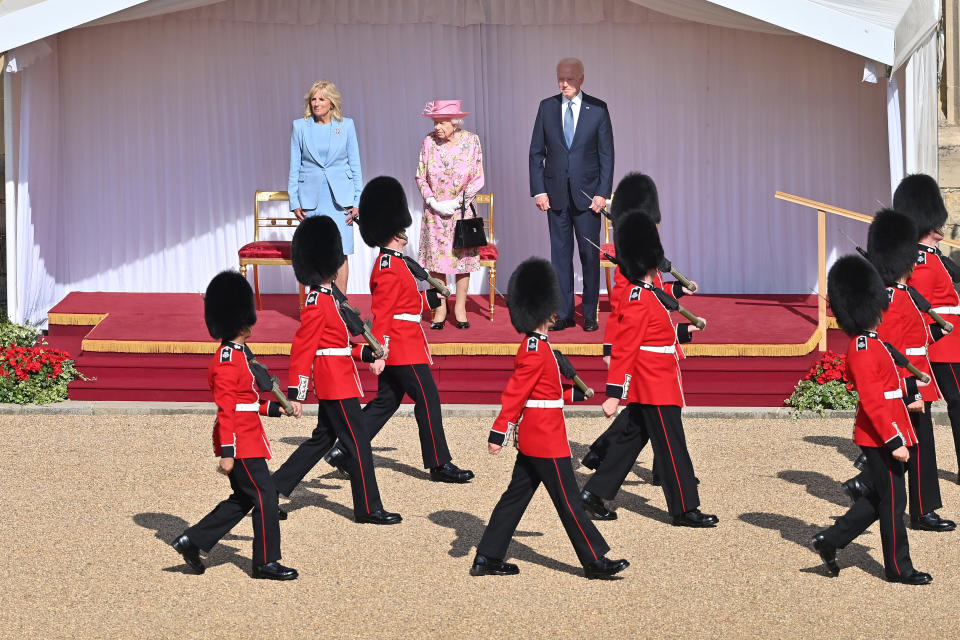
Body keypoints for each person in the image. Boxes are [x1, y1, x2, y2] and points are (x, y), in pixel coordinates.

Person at [471, 257, 629, 580]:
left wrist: (574, 394)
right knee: (570, 501)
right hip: (545, 439)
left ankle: (487, 556)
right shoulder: (534, 348)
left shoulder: (541, 347)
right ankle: (594, 560)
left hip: (538, 435)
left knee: (515, 497)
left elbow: (545, 393)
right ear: (543, 310)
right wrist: (499, 432)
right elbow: (516, 393)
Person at [324, 176, 474, 484]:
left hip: (405, 342)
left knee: (385, 403)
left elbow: (407, 304)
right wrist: (382, 350)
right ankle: (439, 463)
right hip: (402, 347)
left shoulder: (396, 262)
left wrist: (431, 298)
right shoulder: (389, 266)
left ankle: (344, 451)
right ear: (393, 231)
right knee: (428, 398)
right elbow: (384, 315)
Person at [583, 210, 717, 527]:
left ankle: (594, 493)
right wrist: (614, 395)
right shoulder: (636, 296)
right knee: (672, 444)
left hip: (660, 373)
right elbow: (627, 348)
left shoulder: (649, 291)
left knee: (632, 436)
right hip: (653, 379)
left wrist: (687, 332)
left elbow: (659, 332)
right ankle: (684, 508)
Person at [272, 216, 401, 525]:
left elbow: (339, 345)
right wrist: (297, 394)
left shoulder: (332, 299)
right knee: (358, 443)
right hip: (334, 382)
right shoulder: (317, 302)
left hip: (341, 375)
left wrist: (367, 352)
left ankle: (271, 490)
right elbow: (304, 349)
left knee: (322, 439)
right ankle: (368, 508)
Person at [811, 255, 931, 584]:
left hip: (893, 425)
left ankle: (830, 540)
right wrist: (894, 442)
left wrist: (911, 395)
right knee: (894, 501)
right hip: (880, 435)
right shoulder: (862, 347)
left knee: (881, 497)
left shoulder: (875, 343)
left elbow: (888, 382)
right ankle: (898, 568)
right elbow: (873, 399)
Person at [171, 270, 299, 580]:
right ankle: (265, 562)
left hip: (248, 434)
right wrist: (227, 453)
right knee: (266, 495)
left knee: (245, 497)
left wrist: (276, 409)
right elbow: (227, 409)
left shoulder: (241, 355)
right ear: (241, 319)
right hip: (240, 441)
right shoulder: (228, 360)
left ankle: (194, 540)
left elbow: (247, 400)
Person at [839, 209, 955, 532]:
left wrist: (936, 332)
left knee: (915, 449)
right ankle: (920, 510)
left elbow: (914, 339)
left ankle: (866, 486)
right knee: (917, 450)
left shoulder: (902, 296)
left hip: (918, 379)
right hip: (909, 384)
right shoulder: (892, 298)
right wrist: (912, 390)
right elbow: (892, 351)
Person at [580, 173, 697, 488]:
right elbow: (620, 315)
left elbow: (658, 299)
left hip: (658, 353)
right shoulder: (626, 276)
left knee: (643, 420)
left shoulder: (647, 266)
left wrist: (680, 295)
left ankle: (605, 457)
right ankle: (665, 473)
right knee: (654, 418)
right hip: (641, 356)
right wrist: (610, 351)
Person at [529, 57, 614, 332]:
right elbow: (535, 153)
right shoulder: (547, 107)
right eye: (560, 78)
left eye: (569, 78)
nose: (564, 83)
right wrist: (539, 190)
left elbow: (607, 156)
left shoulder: (598, 110)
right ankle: (563, 312)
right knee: (560, 257)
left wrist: (602, 194)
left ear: (582, 79)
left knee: (589, 256)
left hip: (589, 198)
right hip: (555, 197)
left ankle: (590, 312)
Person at [897, 174, 960, 483]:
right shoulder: (919, 259)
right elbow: (916, 313)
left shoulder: (933, 257)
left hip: (951, 344)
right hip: (941, 346)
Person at [287, 80, 362, 292]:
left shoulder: (346, 126)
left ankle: (342, 308)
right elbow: (295, 166)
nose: (316, 103)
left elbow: (355, 165)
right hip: (311, 199)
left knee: (341, 251)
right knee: (315, 251)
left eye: (321, 99)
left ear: (332, 102)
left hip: (341, 201)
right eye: (313, 99)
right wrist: (294, 201)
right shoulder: (299, 126)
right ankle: (319, 307)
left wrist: (358, 201)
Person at [416, 100, 485, 330]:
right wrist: (432, 200)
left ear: (455, 122)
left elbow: (478, 177)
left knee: (462, 260)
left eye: (442, 122)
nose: (437, 127)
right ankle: (440, 308)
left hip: (461, 211)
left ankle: (461, 307)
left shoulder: (471, 141)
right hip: (435, 213)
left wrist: (458, 201)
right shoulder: (428, 142)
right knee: (436, 261)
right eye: (435, 122)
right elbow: (420, 176)